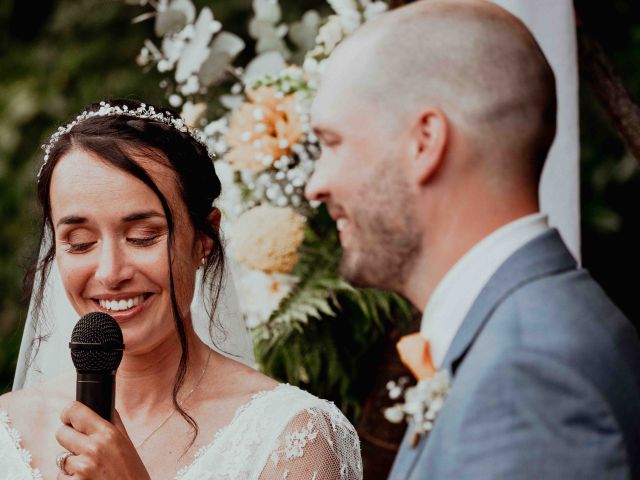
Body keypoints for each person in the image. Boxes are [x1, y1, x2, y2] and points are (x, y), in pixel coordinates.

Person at [305, 0, 640, 478]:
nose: (314, 185)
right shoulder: (520, 335)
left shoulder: (527, 379)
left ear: (424, 142)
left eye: (333, 143)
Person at [0, 99, 362, 479]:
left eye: (143, 236)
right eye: (80, 242)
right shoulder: (8, 430)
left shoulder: (294, 436)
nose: (110, 272)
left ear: (204, 237)